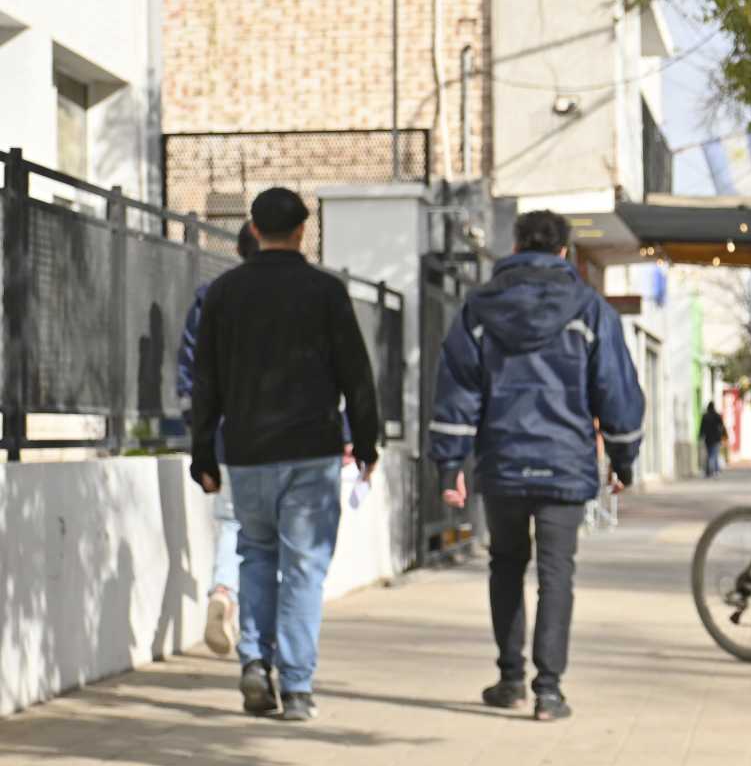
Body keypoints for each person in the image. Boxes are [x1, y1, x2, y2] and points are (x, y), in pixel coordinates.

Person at [429, 210, 645, 721]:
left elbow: (457, 386)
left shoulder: (478, 309)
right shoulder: (591, 310)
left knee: (505, 566)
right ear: (565, 252)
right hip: (565, 466)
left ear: (516, 245)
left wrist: (448, 464)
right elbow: (615, 389)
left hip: (502, 461)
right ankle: (549, 691)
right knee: (556, 574)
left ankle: (510, 680)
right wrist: (623, 458)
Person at [189, 188, 382, 722]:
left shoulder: (224, 293)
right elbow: (356, 375)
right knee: (303, 568)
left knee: (254, 554)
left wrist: (203, 451)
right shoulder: (325, 291)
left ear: (252, 228)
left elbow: (206, 380)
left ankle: (254, 661)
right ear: (302, 230)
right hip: (311, 451)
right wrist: (366, 443)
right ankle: (296, 688)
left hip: (247, 451)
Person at [177, 222, 259, 657]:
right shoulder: (295, 295)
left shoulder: (211, 298)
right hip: (282, 438)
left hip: (226, 433)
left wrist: (200, 430)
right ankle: (259, 643)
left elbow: (190, 370)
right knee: (271, 537)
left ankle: (223, 591)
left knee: (231, 523)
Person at [699, 401, 726, 478]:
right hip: (716, 439)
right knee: (715, 455)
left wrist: (700, 436)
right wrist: (724, 436)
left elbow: (702, 428)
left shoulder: (705, 416)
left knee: (709, 455)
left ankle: (709, 471)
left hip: (708, 439)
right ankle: (716, 471)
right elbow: (722, 427)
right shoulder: (717, 416)